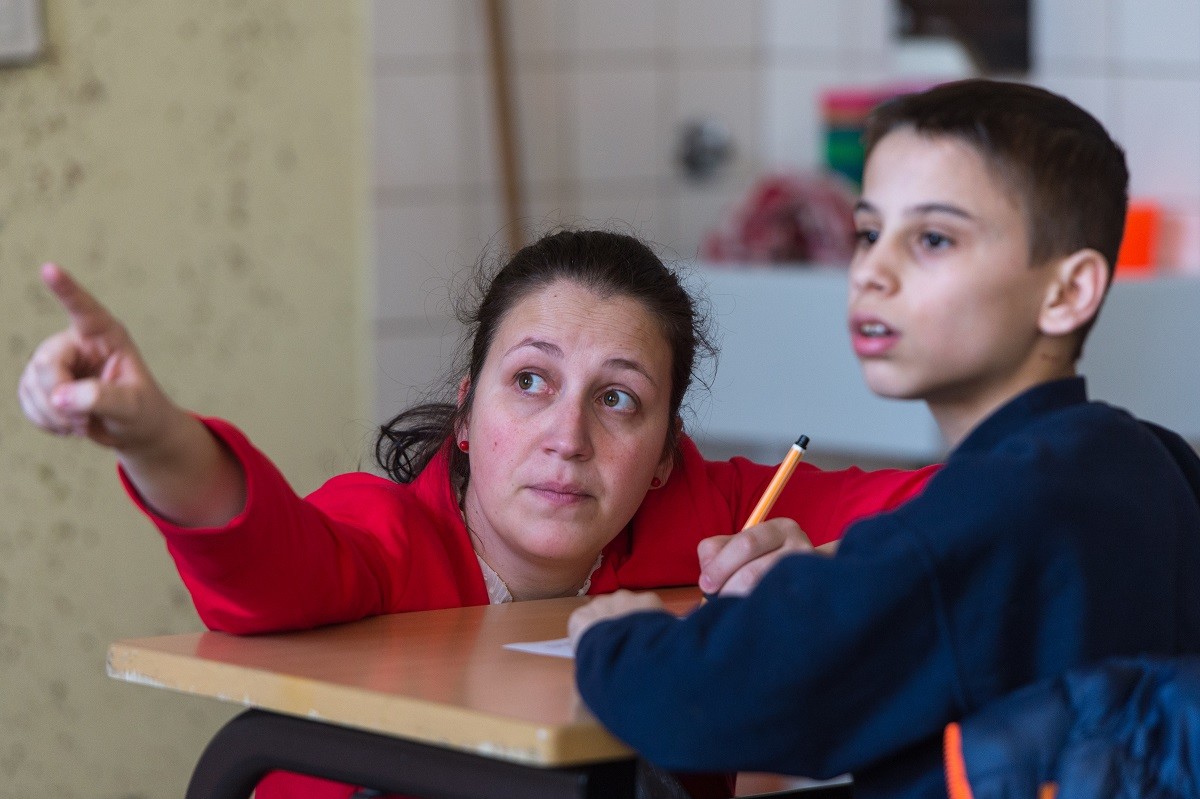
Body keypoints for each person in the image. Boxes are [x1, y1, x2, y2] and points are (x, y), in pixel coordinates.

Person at [19, 229, 934, 799]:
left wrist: (829, 563)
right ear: (466, 414)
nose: (566, 436)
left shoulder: (715, 516)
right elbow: (265, 564)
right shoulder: (386, 533)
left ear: (664, 453)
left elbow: (987, 507)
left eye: (617, 399)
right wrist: (157, 438)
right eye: (530, 382)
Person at [567, 80, 1200, 799]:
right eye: (869, 232)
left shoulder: (980, 512)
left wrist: (614, 638)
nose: (873, 270)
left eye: (932, 238)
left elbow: (708, 700)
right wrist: (839, 583)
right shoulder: (1146, 459)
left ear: (1067, 291)